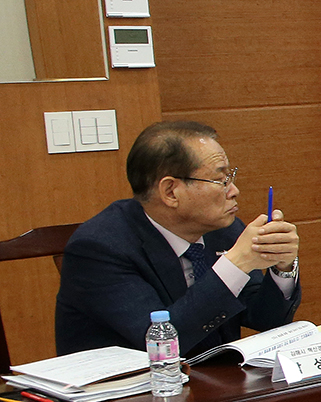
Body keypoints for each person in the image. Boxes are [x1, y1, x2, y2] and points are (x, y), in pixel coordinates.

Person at [55, 120, 301, 356]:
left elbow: (267, 319)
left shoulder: (224, 230)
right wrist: (236, 264)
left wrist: (282, 267)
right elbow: (163, 343)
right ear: (171, 192)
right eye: (220, 180)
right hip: (133, 389)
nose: (233, 191)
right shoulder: (99, 248)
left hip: (215, 382)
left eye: (230, 177)